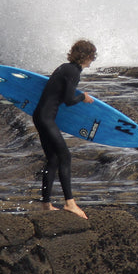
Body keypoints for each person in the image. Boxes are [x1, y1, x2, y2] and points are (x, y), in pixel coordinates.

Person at [33, 38, 97, 217]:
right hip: (46, 119)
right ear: (86, 57)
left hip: (40, 116)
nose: (92, 61)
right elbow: (69, 100)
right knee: (65, 157)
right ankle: (70, 203)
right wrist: (82, 97)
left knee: (53, 159)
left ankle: (46, 204)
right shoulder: (73, 72)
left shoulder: (64, 67)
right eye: (92, 57)